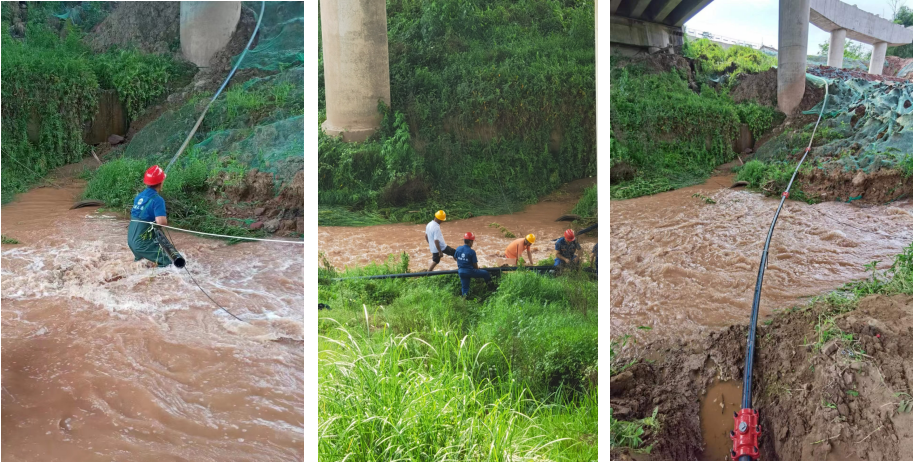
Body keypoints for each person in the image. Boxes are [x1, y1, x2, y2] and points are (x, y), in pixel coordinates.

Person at [128, 165, 172, 267]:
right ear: (161, 183)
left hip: (131, 242)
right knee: (168, 264)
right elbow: (161, 222)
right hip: (142, 244)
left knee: (141, 266)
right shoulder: (157, 200)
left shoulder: (139, 196)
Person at [454, 232, 493, 297]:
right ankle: (491, 289)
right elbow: (475, 264)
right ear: (470, 242)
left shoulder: (458, 249)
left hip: (461, 272)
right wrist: (477, 270)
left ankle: (463, 302)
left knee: (465, 288)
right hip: (470, 272)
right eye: (472, 242)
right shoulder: (472, 252)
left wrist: (461, 262)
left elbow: (455, 258)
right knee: (485, 273)